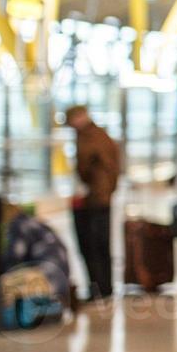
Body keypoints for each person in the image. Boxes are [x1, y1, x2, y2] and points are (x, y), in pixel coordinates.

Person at [65, 106, 120, 303]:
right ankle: (104, 287)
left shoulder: (88, 138)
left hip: (93, 198)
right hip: (102, 196)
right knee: (101, 244)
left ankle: (98, 287)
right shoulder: (102, 135)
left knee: (92, 245)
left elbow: (84, 167)